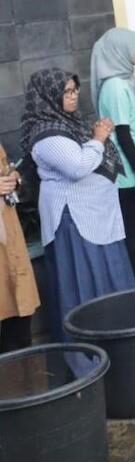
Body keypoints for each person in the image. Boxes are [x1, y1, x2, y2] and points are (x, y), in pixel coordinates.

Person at [24, 68, 135, 344]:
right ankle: (92, 349)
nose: (73, 97)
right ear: (49, 96)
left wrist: (98, 137)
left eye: (75, 90)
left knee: (109, 279)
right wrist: (98, 139)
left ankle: (121, 341)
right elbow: (78, 166)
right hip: (75, 223)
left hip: (95, 218)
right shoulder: (47, 134)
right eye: (67, 92)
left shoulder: (68, 123)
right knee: (85, 282)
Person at [92, 27, 135, 287]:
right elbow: (124, 135)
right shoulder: (116, 87)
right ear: (120, 52)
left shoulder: (121, 82)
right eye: (134, 46)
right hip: (126, 178)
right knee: (134, 237)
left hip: (129, 174)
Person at [0, 144, 38, 354]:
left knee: (19, 329)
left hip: (10, 248)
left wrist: (15, 179)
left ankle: (25, 384)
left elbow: (10, 172)